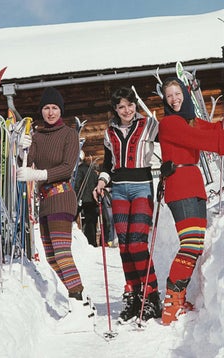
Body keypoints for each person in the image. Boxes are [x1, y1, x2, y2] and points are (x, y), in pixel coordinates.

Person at [93, 86, 162, 324]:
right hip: (119, 189)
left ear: (135, 105)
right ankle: (133, 294)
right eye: (121, 106)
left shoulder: (149, 125)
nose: (127, 110)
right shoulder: (109, 132)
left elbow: (171, 140)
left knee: (136, 244)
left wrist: (172, 166)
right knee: (123, 246)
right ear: (115, 109)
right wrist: (102, 182)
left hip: (142, 186)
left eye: (130, 105)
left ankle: (151, 295)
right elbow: (107, 164)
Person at [159, 77, 224, 325]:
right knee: (190, 244)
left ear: (185, 95)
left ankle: (178, 297)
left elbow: (211, 130)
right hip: (179, 185)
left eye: (177, 94)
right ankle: (171, 303)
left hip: (193, 184)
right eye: (170, 96)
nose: (174, 99)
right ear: (166, 101)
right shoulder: (169, 124)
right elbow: (204, 140)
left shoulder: (189, 120)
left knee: (195, 244)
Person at [17, 87, 85, 305]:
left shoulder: (69, 134)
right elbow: (25, 164)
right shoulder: (37, 136)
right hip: (46, 200)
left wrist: (38, 174)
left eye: (54, 107)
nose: (50, 112)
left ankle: (79, 299)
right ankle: (77, 297)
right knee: (52, 257)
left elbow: (67, 168)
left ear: (60, 110)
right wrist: (21, 150)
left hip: (63, 197)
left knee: (62, 253)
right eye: (46, 108)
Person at [74, 150, 99, 247]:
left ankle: (87, 243)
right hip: (92, 199)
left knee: (74, 218)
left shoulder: (79, 170)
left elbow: (77, 184)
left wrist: (75, 196)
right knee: (91, 221)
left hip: (82, 198)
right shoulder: (91, 169)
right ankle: (92, 242)